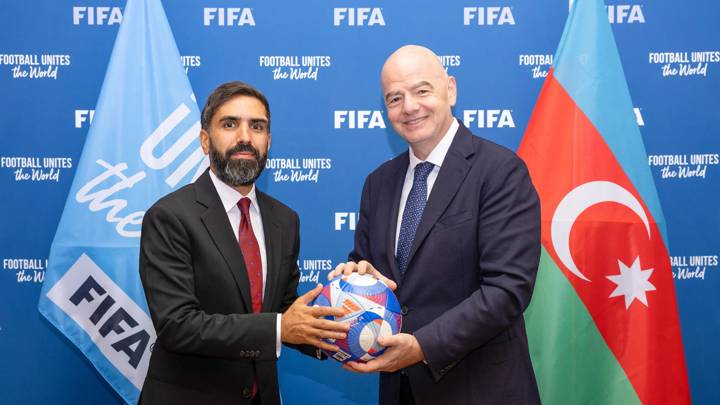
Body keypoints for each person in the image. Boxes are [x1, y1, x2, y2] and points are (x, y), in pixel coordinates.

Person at [330, 45, 541, 404]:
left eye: (421, 90)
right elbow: (373, 273)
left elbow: (507, 289)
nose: (409, 107)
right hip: (402, 392)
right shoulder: (377, 184)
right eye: (394, 98)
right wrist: (359, 276)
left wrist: (422, 346)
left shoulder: (500, 170)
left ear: (451, 89)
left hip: (481, 390)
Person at [139, 81, 348, 405]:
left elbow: (282, 310)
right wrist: (280, 328)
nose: (245, 138)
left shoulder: (285, 219)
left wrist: (341, 336)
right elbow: (177, 325)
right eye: (229, 124)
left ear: (269, 140)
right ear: (205, 140)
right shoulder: (169, 217)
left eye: (257, 126)